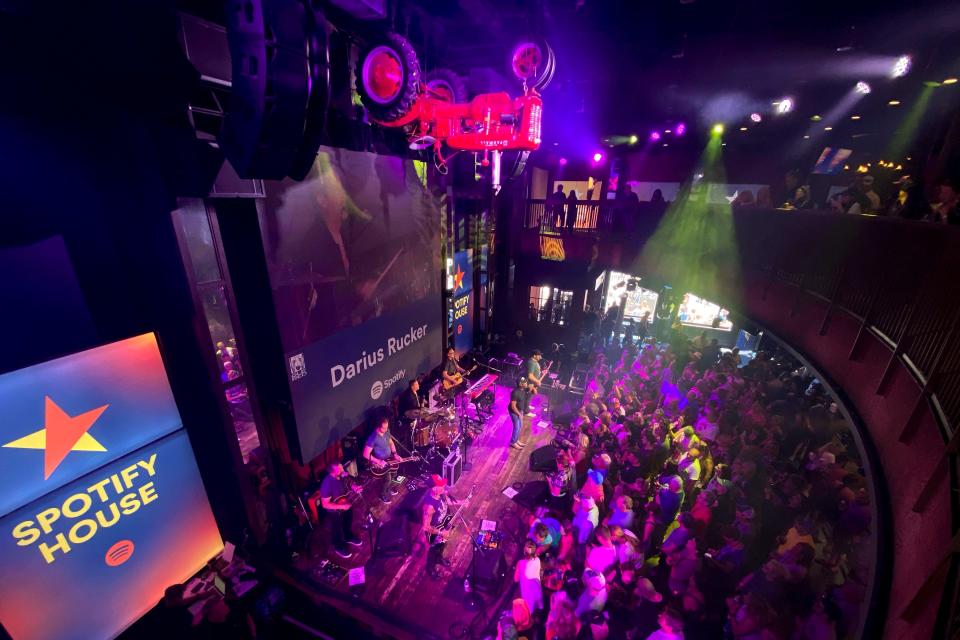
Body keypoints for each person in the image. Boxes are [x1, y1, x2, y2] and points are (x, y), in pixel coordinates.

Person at [318, 461, 364, 558]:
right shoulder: (326, 484)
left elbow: (349, 483)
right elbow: (325, 504)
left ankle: (348, 536)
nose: (343, 470)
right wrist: (342, 506)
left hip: (345, 503)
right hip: (334, 510)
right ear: (333, 473)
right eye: (340, 469)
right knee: (337, 528)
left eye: (342, 467)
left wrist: (355, 488)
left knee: (348, 520)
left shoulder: (342, 475)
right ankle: (338, 546)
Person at [421, 474, 462, 578]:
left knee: (442, 545)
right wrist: (441, 532)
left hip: (443, 525)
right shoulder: (429, 506)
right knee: (433, 550)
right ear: (434, 488)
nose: (444, 487)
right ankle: (430, 568)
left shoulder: (441, 493)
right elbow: (425, 527)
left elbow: (448, 501)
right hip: (434, 531)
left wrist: (462, 502)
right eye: (441, 486)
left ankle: (439, 558)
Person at [362, 417, 402, 503]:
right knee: (387, 479)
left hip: (390, 458)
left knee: (394, 474)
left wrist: (395, 454)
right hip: (381, 462)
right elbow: (365, 454)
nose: (386, 429)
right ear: (378, 427)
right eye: (384, 428)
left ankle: (389, 489)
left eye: (387, 427)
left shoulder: (387, 431)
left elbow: (391, 443)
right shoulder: (372, 438)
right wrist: (378, 461)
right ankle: (383, 495)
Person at [514, 540, 544, 613]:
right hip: (538, 591)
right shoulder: (537, 560)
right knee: (540, 607)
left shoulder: (520, 563)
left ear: (524, 551)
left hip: (528, 596)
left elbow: (516, 579)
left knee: (529, 613)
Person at [509, 377, 529, 450]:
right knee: (517, 427)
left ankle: (516, 440)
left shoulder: (523, 389)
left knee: (520, 427)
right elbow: (513, 406)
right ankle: (513, 442)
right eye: (525, 382)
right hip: (514, 412)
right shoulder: (515, 392)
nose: (527, 383)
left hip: (520, 411)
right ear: (520, 384)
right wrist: (519, 414)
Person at [524, 349, 545, 416]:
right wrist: (537, 381)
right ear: (534, 356)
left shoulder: (534, 361)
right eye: (539, 355)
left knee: (530, 396)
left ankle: (527, 406)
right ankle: (526, 411)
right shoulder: (531, 363)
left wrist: (541, 372)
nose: (540, 357)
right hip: (530, 383)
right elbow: (530, 376)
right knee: (528, 396)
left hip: (533, 383)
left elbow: (535, 371)